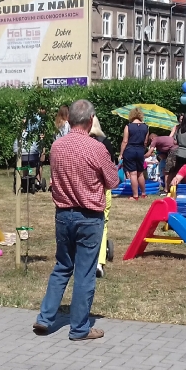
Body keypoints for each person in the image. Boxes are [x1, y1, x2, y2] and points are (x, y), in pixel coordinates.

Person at [33, 99, 119, 341]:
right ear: (91, 121)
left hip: (63, 214)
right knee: (85, 273)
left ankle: (45, 318)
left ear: (69, 119)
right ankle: (79, 328)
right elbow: (113, 182)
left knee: (62, 266)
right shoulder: (97, 148)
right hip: (89, 216)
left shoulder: (57, 146)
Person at [89, 116, 115, 279]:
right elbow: (112, 171)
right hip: (102, 188)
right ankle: (98, 262)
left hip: (83, 188)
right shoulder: (105, 143)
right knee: (102, 223)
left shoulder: (78, 143)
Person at [118, 107, 148, 200]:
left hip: (130, 150)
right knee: (141, 173)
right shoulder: (146, 127)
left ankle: (135, 196)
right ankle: (143, 193)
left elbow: (125, 141)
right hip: (140, 151)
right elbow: (145, 142)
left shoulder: (128, 126)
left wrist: (121, 154)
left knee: (133, 174)